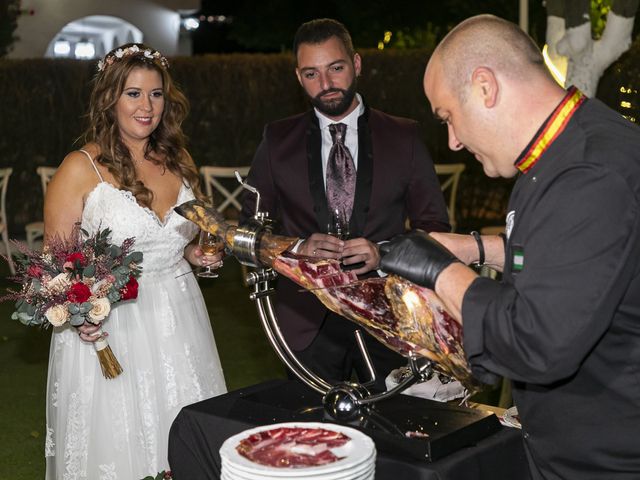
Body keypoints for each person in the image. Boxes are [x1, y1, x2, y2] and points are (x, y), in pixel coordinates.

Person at [380, 14, 640, 480]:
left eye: (448, 118)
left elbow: (538, 341)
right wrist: (479, 249)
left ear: (485, 87)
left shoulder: (587, 173)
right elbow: (573, 254)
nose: (454, 141)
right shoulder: (562, 151)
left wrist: (440, 270)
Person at [43, 43, 227, 479]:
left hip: (181, 319)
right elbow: (54, 266)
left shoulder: (179, 161)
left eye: (156, 94)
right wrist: (77, 313)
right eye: (133, 94)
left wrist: (194, 253)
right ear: (110, 98)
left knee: (186, 439)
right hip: (112, 327)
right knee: (121, 447)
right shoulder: (80, 167)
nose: (147, 107)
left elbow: (173, 240)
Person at [240, 18, 450, 392]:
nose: (326, 84)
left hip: (390, 317)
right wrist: (298, 248)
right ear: (298, 77)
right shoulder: (277, 140)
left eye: (335, 68)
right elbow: (247, 231)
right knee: (314, 439)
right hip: (306, 323)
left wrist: (383, 254)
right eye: (311, 74)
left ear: (356, 64)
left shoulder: (404, 136)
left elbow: (436, 228)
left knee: (396, 435)